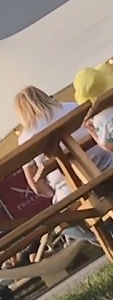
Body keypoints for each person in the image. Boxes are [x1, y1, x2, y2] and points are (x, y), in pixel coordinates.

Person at [14, 85, 113, 246]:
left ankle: (107, 239)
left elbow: (36, 186)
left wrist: (55, 193)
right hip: (108, 169)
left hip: (72, 193)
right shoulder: (72, 107)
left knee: (65, 224)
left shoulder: (26, 138)